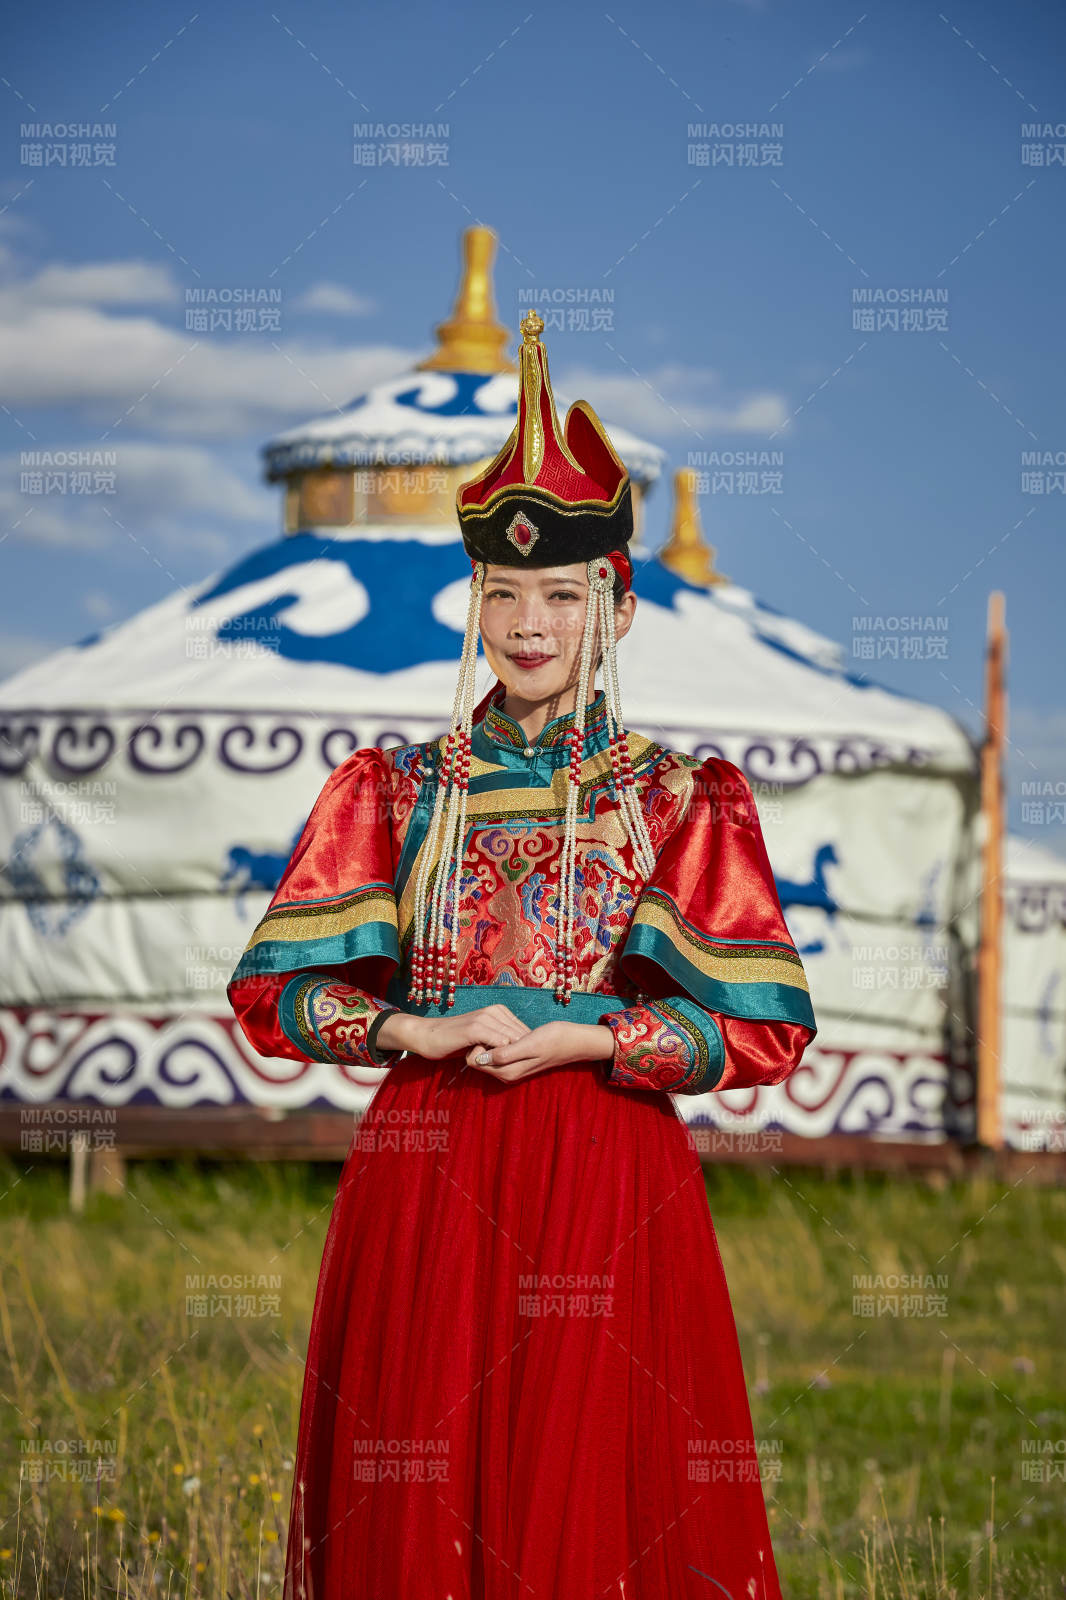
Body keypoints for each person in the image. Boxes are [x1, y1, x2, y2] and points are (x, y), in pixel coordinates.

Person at [228, 310, 817, 1600]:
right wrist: (410, 1033)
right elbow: (276, 989)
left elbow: (763, 1025)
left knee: (587, 1481)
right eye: (506, 594)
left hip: (602, 1161)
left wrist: (595, 1038)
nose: (530, 623)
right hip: (428, 1162)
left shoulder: (680, 799)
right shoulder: (398, 787)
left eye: (561, 594)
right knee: (420, 1465)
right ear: (474, 601)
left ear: (613, 601)